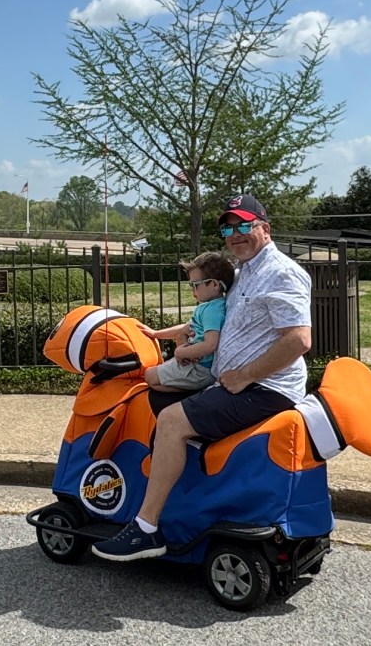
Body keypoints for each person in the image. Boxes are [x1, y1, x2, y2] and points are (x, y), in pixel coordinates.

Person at [96, 197, 312, 561]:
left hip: (263, 388)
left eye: (243, 225)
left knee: (171, 421)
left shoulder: (281, 272)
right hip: (235, 383)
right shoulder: (245, 271)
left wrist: (244, 376)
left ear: (264, 227)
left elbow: (298, 339)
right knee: (155, 403)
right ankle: (181, 506)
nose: (235, 235)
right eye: (227, 228)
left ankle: (147, 528)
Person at [140, 253, 232, 394]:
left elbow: (210, 344)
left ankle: (194, 392)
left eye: (195, 285)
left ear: (214, 284)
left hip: (200, 369)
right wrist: (155, 334)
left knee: (149, 376)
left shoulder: (211, 310)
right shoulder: (214, 306)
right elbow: (185, 328)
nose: (192, 290)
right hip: (196, 365)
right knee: (158, 371)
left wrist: (180, 352)